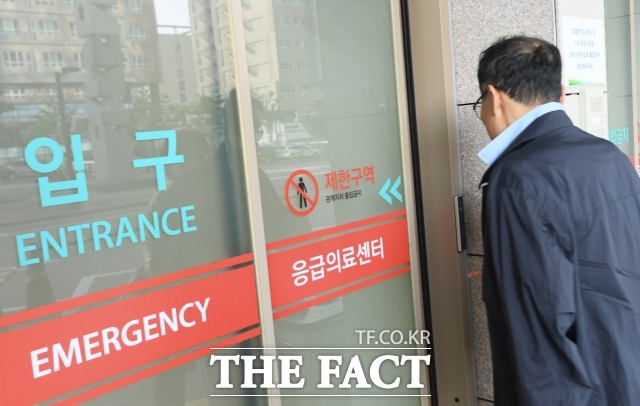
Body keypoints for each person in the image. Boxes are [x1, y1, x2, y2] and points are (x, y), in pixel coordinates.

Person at [473, 36, 640, 405]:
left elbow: (539, 336)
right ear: (561, 95)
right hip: (624, 369)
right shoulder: (609, 156)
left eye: (479, 104)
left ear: (494, 97)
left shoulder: (517, 178)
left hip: (582, 390)